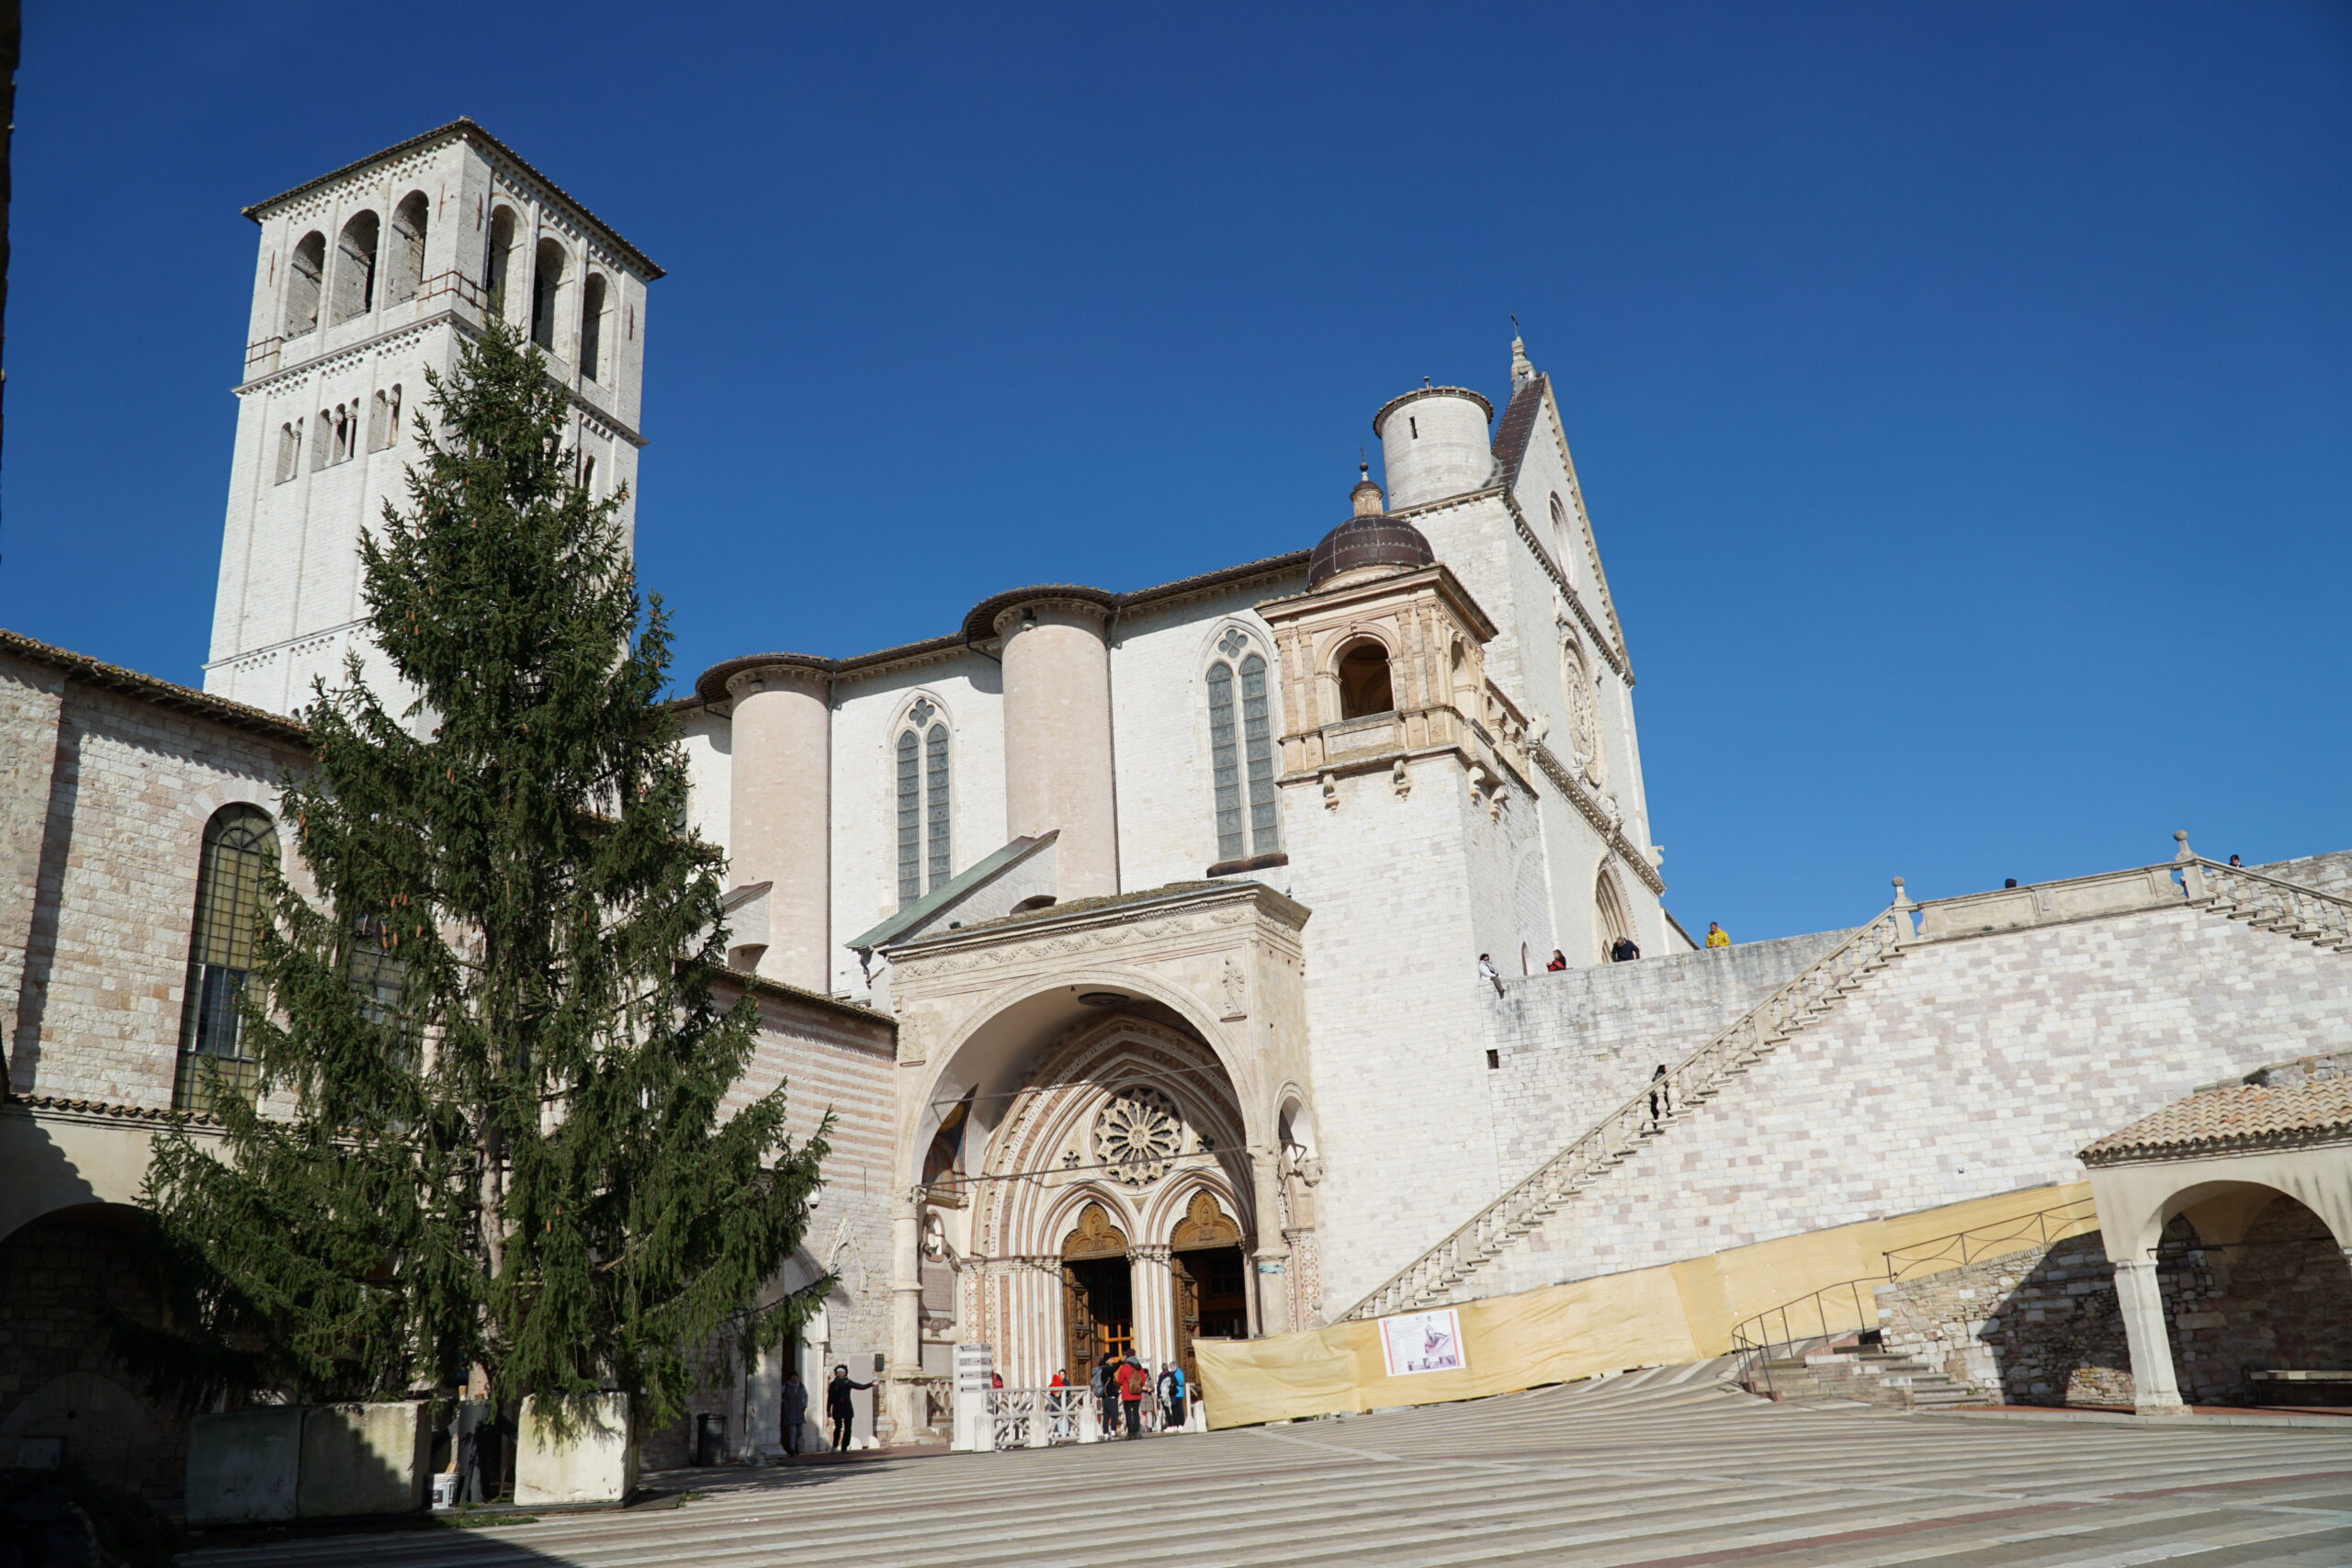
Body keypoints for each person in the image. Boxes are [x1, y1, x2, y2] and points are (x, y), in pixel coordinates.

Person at [826, 1364, 872, 1453]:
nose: (840, 1374)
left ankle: (844, 1447)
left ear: (845, 1374)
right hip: (837, 1408)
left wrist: (871, 1384)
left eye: (842, 1372)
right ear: (835, 1373)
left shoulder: (848, 1383)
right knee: (838, 1427)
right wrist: (828, 1409)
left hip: (847, 1408)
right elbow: (830, 1398)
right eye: (838, 1372)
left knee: (848, 1428)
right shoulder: (833, 1384)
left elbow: (860, 1386)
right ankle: (835, 1446)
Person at [1115, 1354, 1148, 1438]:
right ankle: (1137, 1432)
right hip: (1137, 1393)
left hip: (1127, 1394)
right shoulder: (1139, 1367)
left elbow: (1120, 1381)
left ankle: (1130, 1433)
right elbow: (1143, 1381)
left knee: (1128, 1413)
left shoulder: (1125, 1367)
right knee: (1136, 1413)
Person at [781, 1370, 808, 1458]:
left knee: (799, 1431)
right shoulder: (786, 1386)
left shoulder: (801, 1386)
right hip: (790, 1411)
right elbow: (780, 1395)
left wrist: (805, 1405)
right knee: (792, 1431)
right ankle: (792, 1449)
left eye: (796, 1377)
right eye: (793, 1377)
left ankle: (794, 1444)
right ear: (790, 1378)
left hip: (799, 1411)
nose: (795, 1378)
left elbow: (806, 1395)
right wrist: (784, 1403)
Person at [1158, 1361, 1188, 1430]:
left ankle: (1181, 1423)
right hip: (1173, 1393)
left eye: (1171, 1367)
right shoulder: (1171, 1373)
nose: (1170, 1368)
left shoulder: (1179, 1372)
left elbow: (1181, 1381)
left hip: (1179, 1392)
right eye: (1170, 1367)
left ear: (1175, 1366)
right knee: (1174, 1409)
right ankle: (1176, 1424)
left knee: (1179, 1408)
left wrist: (1174, 1381)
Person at [1647, 1064, 1670, 1129]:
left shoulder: (1658, 1076)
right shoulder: (1661, 1075)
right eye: (1666, 1068)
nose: (1668, 1069)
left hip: (1656, 1097)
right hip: (1658, 1096)